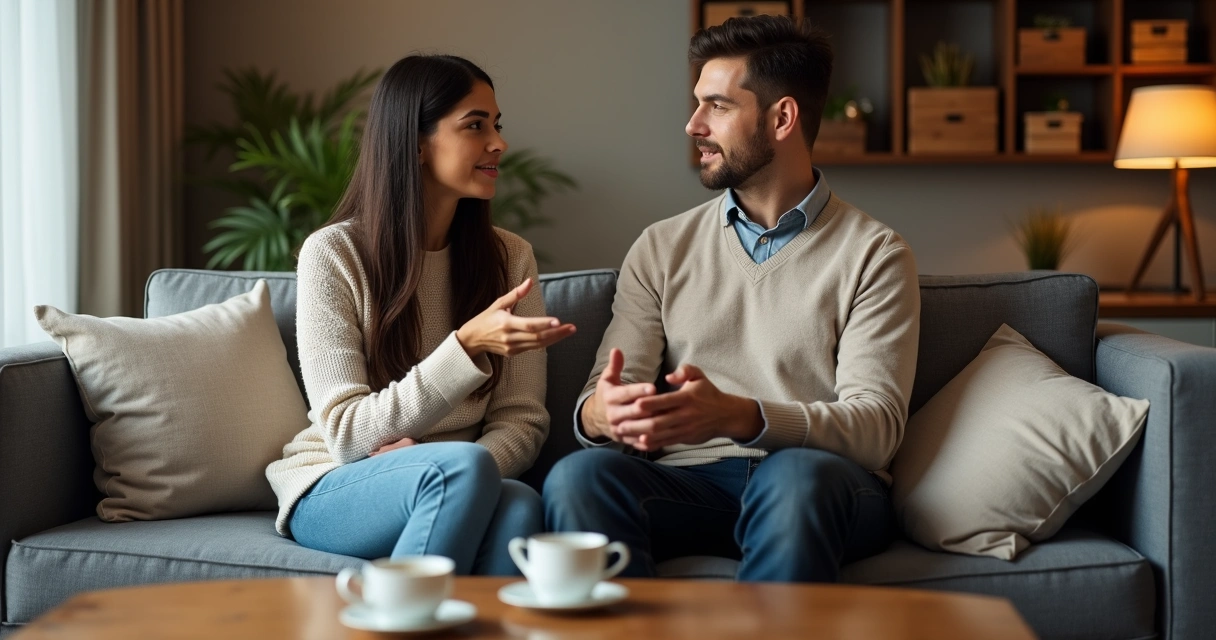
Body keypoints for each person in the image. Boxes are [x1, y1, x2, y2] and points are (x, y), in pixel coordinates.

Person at [543, 16, 920, 582]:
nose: (693, 124)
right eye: (698, 104)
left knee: (796, 481)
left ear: (782, 118)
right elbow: (603, 394)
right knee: (580, 476)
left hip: (821, 485)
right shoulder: (661, 247)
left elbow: (875, 428)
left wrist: (743, 416)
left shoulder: (876, 254)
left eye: (717, 106)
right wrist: (604, 414)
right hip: (691, 486)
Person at [266, 54, 575, 576]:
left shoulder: (510, 258)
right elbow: (345, 432)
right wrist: (465, 347)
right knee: (468, 472)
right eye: (475, 126)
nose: (498, 143)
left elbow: (522, 422)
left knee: (520, 502)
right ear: (413, 142)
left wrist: (451, 468)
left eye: (496, 125)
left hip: (456, 480)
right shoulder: (333, 255)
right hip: (338, 482)